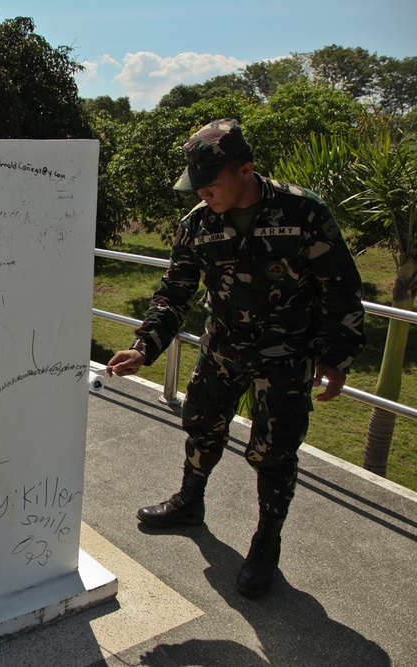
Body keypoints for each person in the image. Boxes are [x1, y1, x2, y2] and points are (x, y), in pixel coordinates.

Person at [106, 119, 366, 598]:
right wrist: (145, 347)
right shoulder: (197, 224)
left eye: (212, 182)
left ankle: (266, 542)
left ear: (245, 169)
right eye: (197, 184)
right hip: (223, 345)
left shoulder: (303, 212)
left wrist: (336, 357)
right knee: (200, 422)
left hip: (286, 356)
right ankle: (189, 502)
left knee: (274, 450)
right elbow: (174, 294)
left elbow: (342, 289)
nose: (203, 192)